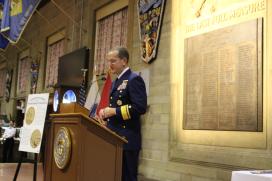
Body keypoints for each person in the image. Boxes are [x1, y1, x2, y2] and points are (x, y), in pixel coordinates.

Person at [98, 47, 147, 181]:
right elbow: (116, 105)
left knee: (127, 177)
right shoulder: (115, 82)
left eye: (113, 61)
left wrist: (114, 111)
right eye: (109, 61)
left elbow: (140, 108)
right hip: (114, 137)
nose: (110, 65)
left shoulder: (133, 79)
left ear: (124, 61)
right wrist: (105, 113)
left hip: (127, 139)